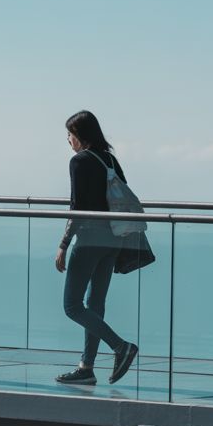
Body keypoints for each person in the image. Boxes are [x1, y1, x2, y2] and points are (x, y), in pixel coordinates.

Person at [55, 110, 140, 385]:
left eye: (69, 134)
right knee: (95, 304)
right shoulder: (110, 159)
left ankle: (120, 346)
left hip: (90, 240)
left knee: (72, 305)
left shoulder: (78, 162)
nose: (68, 140)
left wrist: (63, 244)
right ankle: (86, 367)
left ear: (79, 135)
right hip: (114, 239)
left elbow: (76, 208)